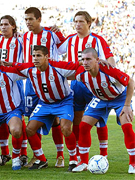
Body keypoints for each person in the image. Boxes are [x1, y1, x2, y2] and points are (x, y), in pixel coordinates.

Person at [58, 11, 116, 161]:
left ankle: (104, 154)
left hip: (94, 83)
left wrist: (109, 75)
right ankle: (78, 153)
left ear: (89, 23)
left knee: (100, 118)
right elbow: (55, 49)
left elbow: (110, 58)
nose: (77, 25)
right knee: (77, 117)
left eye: (81, 21)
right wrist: (56, 32)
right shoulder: (70, 39)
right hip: (76, 83)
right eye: (75, 21)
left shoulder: (97, 40)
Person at [12, 45, 79, 170]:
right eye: (34, 56)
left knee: (65, 127)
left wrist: (97, 61)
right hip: (44, 103)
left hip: (63, 101)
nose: (35, 58)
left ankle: (74, 159)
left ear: (47, 57)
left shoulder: (58, 67)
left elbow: (79, 66)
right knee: (30, 129)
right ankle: (41, 159)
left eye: (39, 56)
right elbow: (12, 66)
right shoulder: (30, 69)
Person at [72, 47, 135, 174]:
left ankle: (133, 163)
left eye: (89, 59)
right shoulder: (80, 74)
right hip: (100, 99)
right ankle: (83, 162)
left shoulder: (108, 70)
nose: (85, 62)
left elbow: (131, 82)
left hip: (119, 98)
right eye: (83, 59)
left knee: (127, 126)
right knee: (83, 126)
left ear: (97, 60)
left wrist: (127, 105)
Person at [23, 7, 66, 168]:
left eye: (31, 19)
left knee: (55, 118)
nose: (28, 22)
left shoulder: (51, 33)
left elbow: (63, 49)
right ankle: (37, 156)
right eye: (26, 19)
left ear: (39, 19)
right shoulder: (25, 36)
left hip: (50, 80)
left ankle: (60, 156)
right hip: (31, 82)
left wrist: (60, 32)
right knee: (31, 118)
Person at [0, 15, 28, 166]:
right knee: (1, 114)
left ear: (13, 26)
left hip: (14, 80)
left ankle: (23, 153)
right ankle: (5, 153)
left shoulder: (20, 40)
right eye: (1, 24)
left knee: (17, 117)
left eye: (6, 24)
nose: (3, 27)